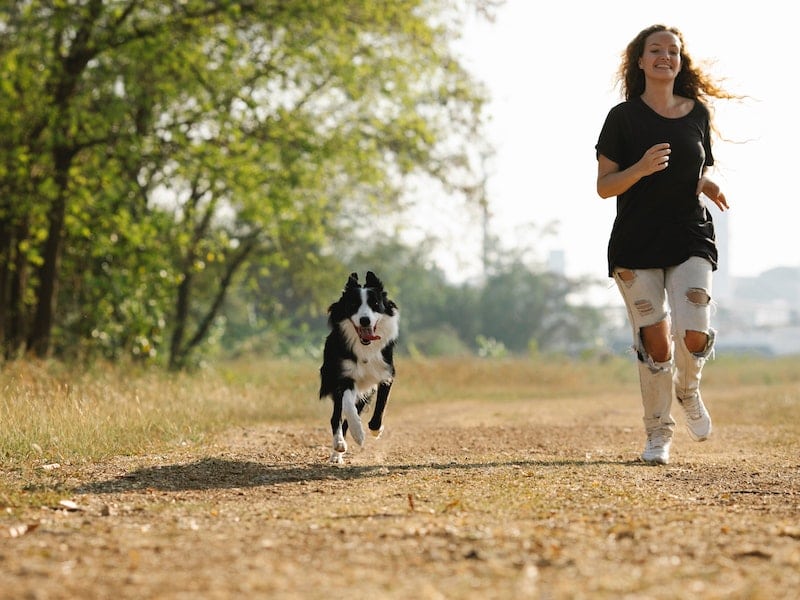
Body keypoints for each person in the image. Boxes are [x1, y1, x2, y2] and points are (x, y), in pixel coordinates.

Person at [595, 24, 736, 465]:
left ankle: (688, 389)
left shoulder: (697, 114)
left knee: (694, 331)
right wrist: (638, 169)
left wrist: (706, 181)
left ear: (680, 61)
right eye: (655, 50)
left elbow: (692, 170)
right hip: (637, 242)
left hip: (689, 234)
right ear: (640, 61)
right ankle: (658, 434)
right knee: (656, 343)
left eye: (672, 51)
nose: (664, 56)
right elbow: (604, 187)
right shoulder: (623, 118)